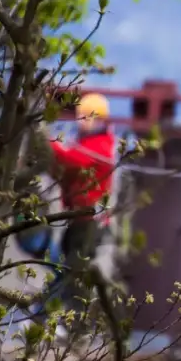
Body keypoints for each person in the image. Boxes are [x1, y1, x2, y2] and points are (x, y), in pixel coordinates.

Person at [39, 92, 117, 331]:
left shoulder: (101, 145)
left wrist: (45, 140)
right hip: (76, 218)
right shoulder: (85, 143)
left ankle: (74, 326)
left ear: (102, 120)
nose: (84, 121)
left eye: (89, 117)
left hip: (88, 221)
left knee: (74, 270)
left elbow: (74, 161)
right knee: (69, 268)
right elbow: (65, 168)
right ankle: (65, 322)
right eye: (82, 116)